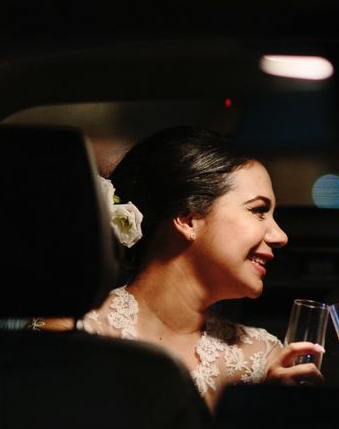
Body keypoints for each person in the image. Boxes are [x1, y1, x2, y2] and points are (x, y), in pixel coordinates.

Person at [80, 126, 322, 408]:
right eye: (258, 211)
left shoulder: (264, 358)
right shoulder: (79, 334)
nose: (280, 236)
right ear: (188, 218)